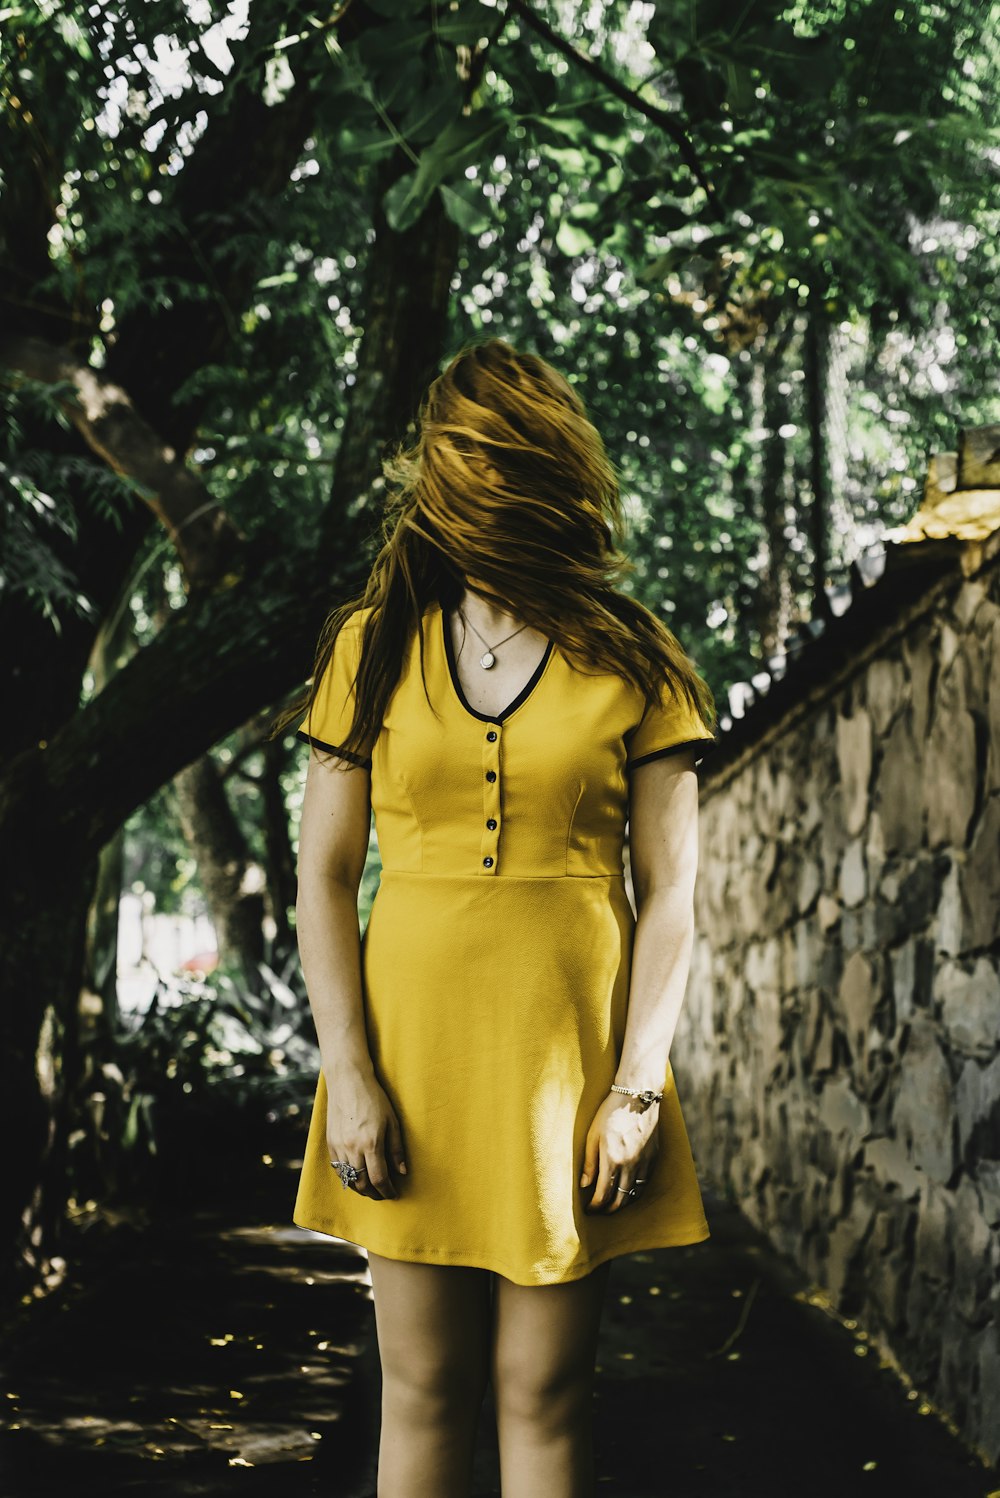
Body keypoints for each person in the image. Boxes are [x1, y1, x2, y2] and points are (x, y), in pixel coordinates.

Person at [274, 337, 718, 1496]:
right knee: (419, 1392)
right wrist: (350, 1075)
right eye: (458, 456)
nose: (474, 478)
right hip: (409, 1060)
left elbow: (673, 889)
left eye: (498, 456)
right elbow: (322, 875)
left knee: (542, 1394)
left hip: (567, 1075)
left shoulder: (636, 655)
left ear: (547, 469)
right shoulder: (367, 650)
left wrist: (636, 1087)